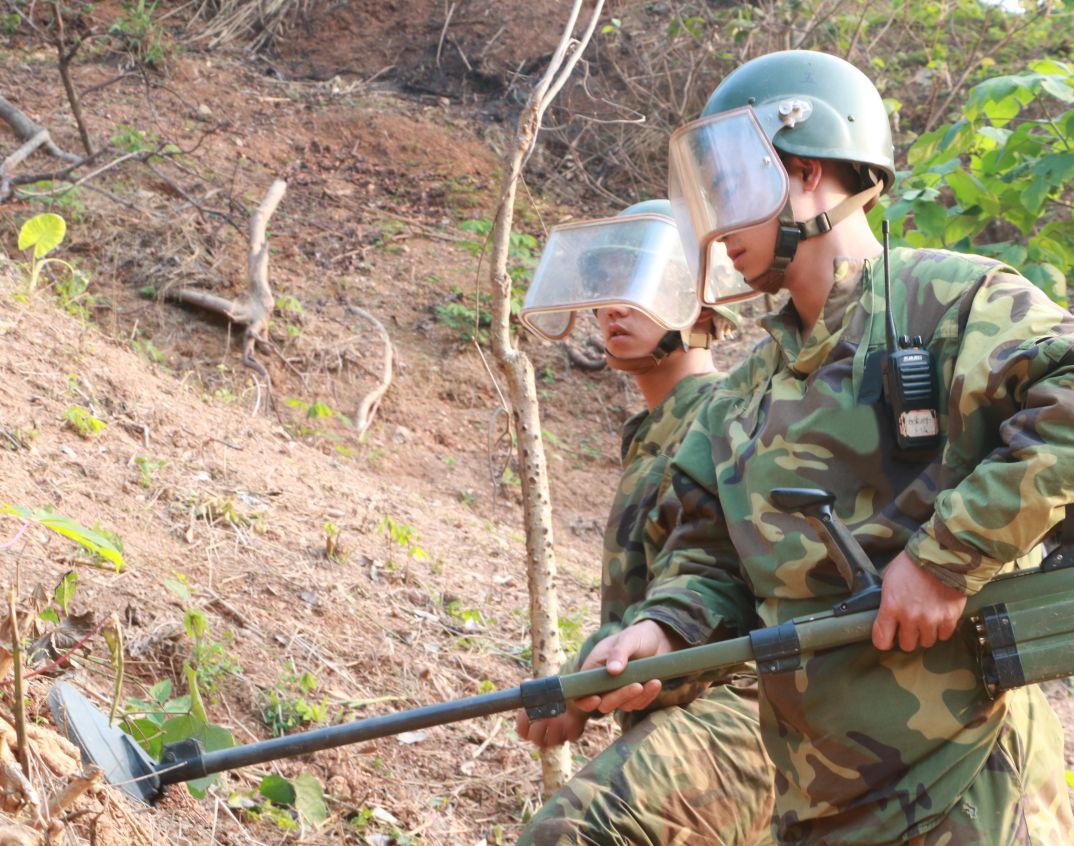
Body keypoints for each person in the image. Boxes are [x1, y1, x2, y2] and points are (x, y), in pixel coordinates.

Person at [571, 50, 1074, 845]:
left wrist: (946, 557)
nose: (715, 227)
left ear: (806, 172)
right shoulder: (738, 400)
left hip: (972, 792)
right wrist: (661, 633)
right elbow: (710, 561)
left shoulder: (951, 302)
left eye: (730, 187)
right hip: (816, 807)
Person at [516, 200, 777, 844]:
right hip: (685, 704)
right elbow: (651, 602)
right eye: (605, 282)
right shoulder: (652, 432)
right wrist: (584, 686)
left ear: (704, 301)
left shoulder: (733, 411)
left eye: (640, 280)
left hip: (756, 706)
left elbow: (730, 592)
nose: (613, 304)